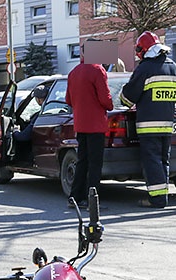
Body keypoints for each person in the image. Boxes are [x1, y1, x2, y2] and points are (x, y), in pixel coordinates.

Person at [119, 31, 176, 208]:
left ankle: (157, 199)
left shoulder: (144, 68)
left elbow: (128, 98)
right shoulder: (174, 67)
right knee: (163, 161)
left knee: (152, 161)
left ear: (144, 50)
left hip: (147, 126)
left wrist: (121, 96)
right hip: (167, 125)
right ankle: (162, 195)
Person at [66, 41, 113, 207]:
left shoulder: (73, 73)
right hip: (96, 124)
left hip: (80, 124)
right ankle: (93, 198)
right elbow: (105, 99)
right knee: (95, 163)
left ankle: (75, 197)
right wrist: (110, 105)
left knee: (82, 160)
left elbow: (68, 100)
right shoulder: (97, 70)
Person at [11, 85, 47, 160]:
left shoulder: (39, 117)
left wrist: (15, 131)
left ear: (39, 100)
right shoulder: (51, 110)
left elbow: (24, 136)